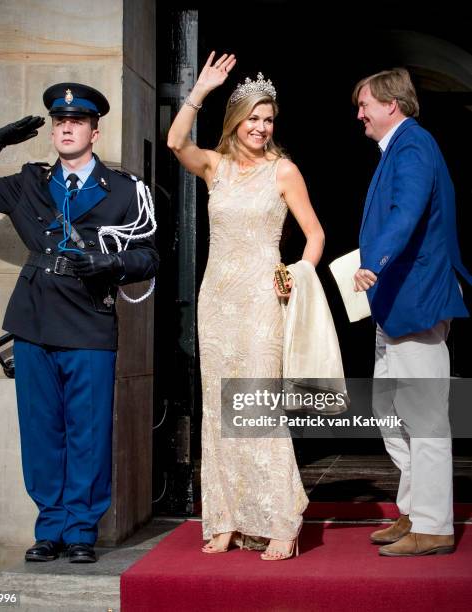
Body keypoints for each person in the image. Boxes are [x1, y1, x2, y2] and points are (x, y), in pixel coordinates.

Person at [0, 83, 159, 563]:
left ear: (94, 130)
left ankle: (82, 530)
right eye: (59, 122)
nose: (67, 128)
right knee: (42, 430)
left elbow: (149, 256)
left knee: (87, 432)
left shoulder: (125, 190)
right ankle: (50, 528)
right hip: (34, 321)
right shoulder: (29, 183)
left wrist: (108, 265)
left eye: (77, 122)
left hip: (88, 321)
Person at [167, 52, 324, 560]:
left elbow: (315, 235)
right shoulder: (215, 166)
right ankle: (228, 517)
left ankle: (280, 520)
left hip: (261, 299)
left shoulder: (284, 170)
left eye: (268, 119)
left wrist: (295, 274)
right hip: (217, 301)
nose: (261, 127)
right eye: (253, 118)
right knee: (219, 410)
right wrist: (200, 91)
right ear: (236, 121)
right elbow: (175, 142)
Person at [353, 68, 472, 556]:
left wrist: (373, 262)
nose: (359, 114)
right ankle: (413, 508)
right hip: (394, 305)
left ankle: (435, 524)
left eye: (364, 105)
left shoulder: (414, 145)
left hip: (416, 299)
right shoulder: (397, 148)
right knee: (388, 411)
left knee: (424, 417)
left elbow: (407, 212)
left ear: (390, 105)